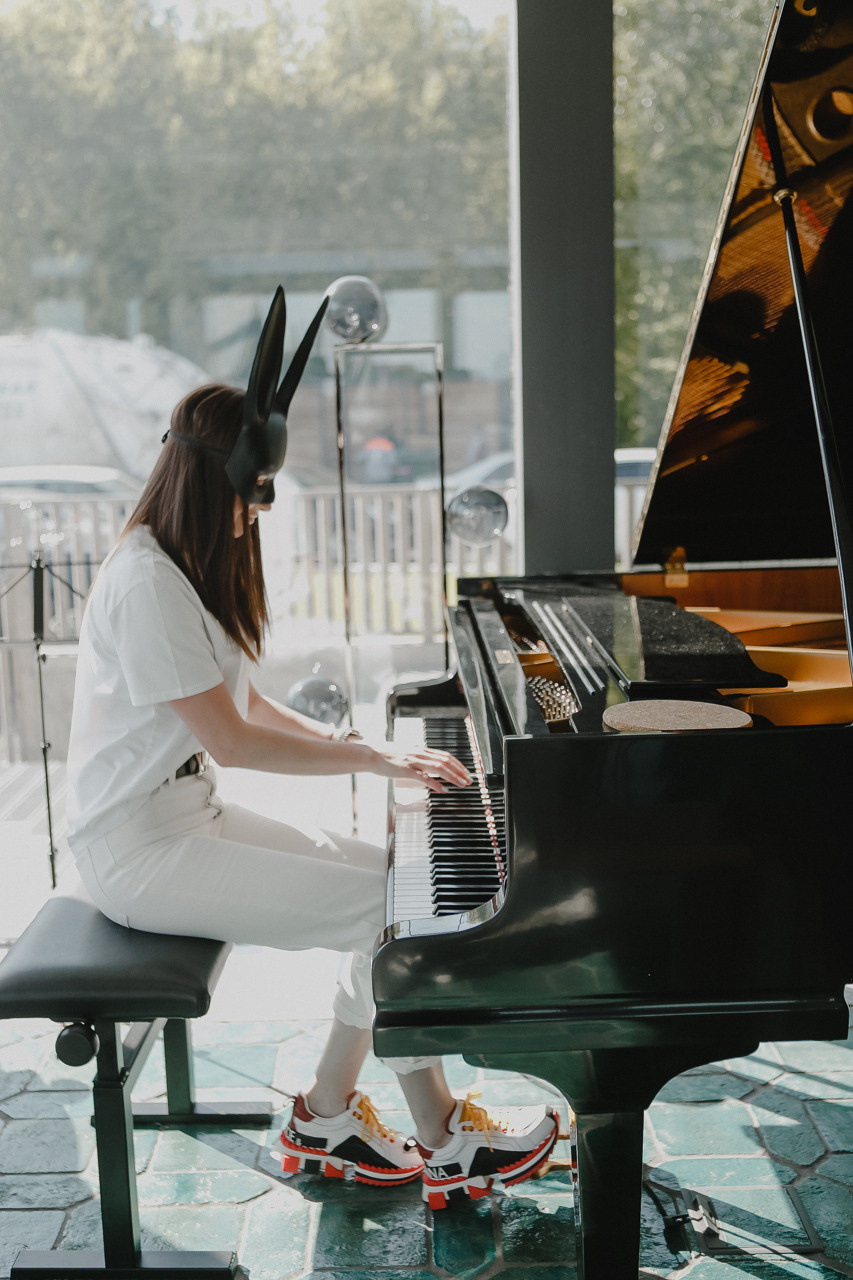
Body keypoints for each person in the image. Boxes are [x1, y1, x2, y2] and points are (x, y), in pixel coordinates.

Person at [64, 290, 558, 1207]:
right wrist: (375, 761)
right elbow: (235, 739)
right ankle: (436, 1134)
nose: (257, 517)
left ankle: (332, 1113)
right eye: (253, 498)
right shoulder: (146, 585)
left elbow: (244, 705)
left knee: (392, 892)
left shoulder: (184, 569)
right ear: (216, 486)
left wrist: (354, 740)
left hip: (184, 814)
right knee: (391, 915)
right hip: (133, 850)